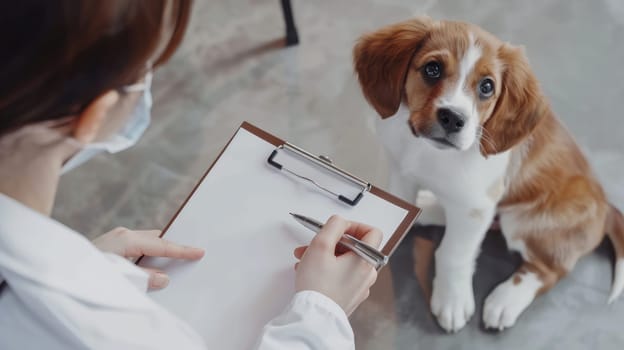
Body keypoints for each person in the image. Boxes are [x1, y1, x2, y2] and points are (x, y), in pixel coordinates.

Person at [0, 1, 381, 349]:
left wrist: (86, 268)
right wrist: (321, 313)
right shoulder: (108, 333)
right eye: (145, 68)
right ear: (93, 116)